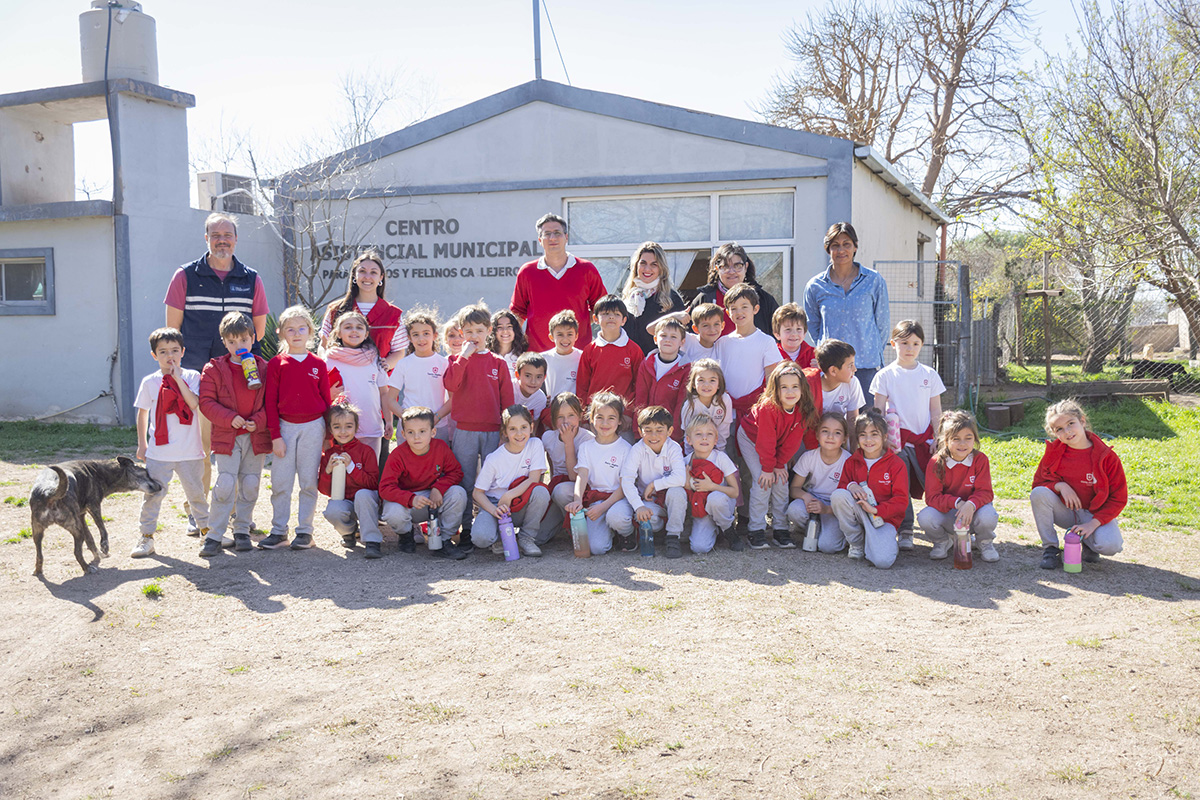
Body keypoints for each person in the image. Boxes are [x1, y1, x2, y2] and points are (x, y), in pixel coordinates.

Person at [164, 212, 269, 523]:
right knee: (202, 449)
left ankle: (236, 513)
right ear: (206, 239)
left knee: (236, 448)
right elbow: (173, 329)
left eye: (228, 235)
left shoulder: (251, 278)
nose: (222, 240)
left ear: (236, 239)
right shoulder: (184, 276)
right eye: (215, 235)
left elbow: (259, 332)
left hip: (240, 378)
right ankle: (198, 513)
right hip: (198, 379)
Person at [131, 328, 209, 558]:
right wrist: (142, 444)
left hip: (190, 451)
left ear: (183, 352)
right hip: (159, 452)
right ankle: (146, 537)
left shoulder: (193, 377)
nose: (170, 356)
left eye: (174, 350)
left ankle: (207, 532)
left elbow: (194, 404)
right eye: (163, 352)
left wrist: (177, 379)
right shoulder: (150, 382)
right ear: (154, 355)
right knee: (153, 495)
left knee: (197, 494)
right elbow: (142, 413)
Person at [197, 312, 270, 556]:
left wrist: (257, 421)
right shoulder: (214, 368)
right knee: (226, 484)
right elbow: (206, 402)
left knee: (250, 483)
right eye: (231, 342)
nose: (238, 346)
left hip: (254, 435)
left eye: (243, 340)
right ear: (224, 342)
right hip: (227, 435)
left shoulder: (263, 368)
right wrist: (230, 418)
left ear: (253, 338)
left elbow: (271, 403)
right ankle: (214, 535)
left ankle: (242, 530)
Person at [444, 302, 515, 546]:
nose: (474, 336)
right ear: (462, 333)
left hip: (493, 431)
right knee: (465, 480)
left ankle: (493, 523)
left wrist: (507, 431)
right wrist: (463, 357)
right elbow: (451, 385)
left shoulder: (498, 362)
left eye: (479, 330)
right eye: (469, 331)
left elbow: (508, 401)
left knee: (494, 481)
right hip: (464, 430)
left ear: (489, 331)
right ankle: (465, 528)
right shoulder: (456, 360)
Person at [260, 306, 331, 551]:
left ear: (310, 331)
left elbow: (326, 401)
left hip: (313, 427)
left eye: (302, 328)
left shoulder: (318, 364)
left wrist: (328, 436)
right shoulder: (277, 364)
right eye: (290, 329)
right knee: (281, 482)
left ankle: (305, 531)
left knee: (308, 481)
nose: (297, 333)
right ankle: (279, 531)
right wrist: (275, 436)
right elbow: (269, 402)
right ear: (281, 333)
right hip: (285, 428)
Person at [871, 320, 946, 549]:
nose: (909, 348)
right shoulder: (884, 375)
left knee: (935, 485)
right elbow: (879, 412)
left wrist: (939, 438)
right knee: (900, 486)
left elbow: (936, 410)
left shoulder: (930, 374)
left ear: (922, 345)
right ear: (893, 344)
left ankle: (948, 528)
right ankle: (905, 530)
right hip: (897, 444)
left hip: (925, 441)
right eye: (904, 343)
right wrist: (885, 442)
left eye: (915, 343)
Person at [1030, 399, 1126, 570]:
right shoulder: (1054, 452)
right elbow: (1039, 483)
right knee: (1038, 493)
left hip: (1093, 514)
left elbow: (1119, 498)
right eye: (1059, 429)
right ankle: (1051, 548)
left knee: (1111, 545)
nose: (1067, 432)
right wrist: (1060, 486)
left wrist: (1093, 524)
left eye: (1070, 424)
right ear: (1054, 433)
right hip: (1066, 511)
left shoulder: (1107, 457)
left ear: (1082, 421)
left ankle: (1088, 543)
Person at [803, 222, 890, 404]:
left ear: (855, 247)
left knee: (866, 425)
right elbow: (814, 326)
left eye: (846, 244)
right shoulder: (815, 286)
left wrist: (870, 352)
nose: (841, 250)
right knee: (833, 425)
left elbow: (882, 324)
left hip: (865, 366)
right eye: (835, 245)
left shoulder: (873, 280)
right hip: (832, 369)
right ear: (828, 249)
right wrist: (825, 355)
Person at [736, 362, 818, 549]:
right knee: (762, 482)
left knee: (781, 481)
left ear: (802, 389)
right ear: (775, 390)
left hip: (777, 443)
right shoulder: (768, 407)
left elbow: (793, 442)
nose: (790, 392)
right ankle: (756, 529)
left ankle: (781, 529)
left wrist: (779, 464)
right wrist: (767, 468)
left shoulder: (803, 409)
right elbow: (765, 441)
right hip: (751, 439)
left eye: (795, 387)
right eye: (784, 387)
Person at [379, 407, 469, 560]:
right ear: (402, 434)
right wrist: (410, 498)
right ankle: (406, 534)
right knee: (392, 511)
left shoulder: (440, 447)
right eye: (410, 432)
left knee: (458, 493)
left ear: (432, 432)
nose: (416, 437)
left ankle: (445, 539)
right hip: (409, 502)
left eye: (422, 431)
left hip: (433, 498)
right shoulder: (397, 455)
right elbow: (385, 488)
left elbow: (456, 472)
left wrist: (438, 488)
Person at [510, 213, 608, 353]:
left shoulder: (587, 270)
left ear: (566, 237)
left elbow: (601, 309)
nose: (553, 238)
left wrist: (581, 322)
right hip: (537, 356)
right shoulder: (527, 272)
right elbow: (517, 314)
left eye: (557, 233)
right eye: (547, 234)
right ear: (540, 240)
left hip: (579, 354)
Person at [831, 409, 908, 568]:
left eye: (874, 434)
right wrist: (851, 486)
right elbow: (841, 489)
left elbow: (901, 502)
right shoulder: (852, 461)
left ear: (885, 437)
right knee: (838, 496)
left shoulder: (896, 464)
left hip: (884, 520)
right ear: (857, 438)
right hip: (859, 515)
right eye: (863, 434)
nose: (868, 440)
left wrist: (876, 510)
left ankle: (879, 541)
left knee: (883, 561)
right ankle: (856, 542)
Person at [471, 406, 551, 557]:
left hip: (518, 502)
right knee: (481, 538)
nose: (519, 434)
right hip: (496, 505)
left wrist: (508, 496)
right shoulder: (494, 459)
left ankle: (526, 538)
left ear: (531, 427)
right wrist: (494, 510)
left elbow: (534, 479)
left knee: (541, 491)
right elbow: (478, 493)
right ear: (505, 432)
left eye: (523, 427)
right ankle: (500, 538)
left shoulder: (535, 445)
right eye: (513, 429)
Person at [920, 410, 998, 563]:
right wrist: (957, 503)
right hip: (950, 513)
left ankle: (984, 542)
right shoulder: (936, 462)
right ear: (946, 441)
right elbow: (932, 497)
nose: (962, 444)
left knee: (989, 515)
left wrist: (971, 504)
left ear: (974, 439)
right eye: (956, 439)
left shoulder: (980, 460)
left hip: (973, 512)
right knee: (925, 517)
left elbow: (986, 492)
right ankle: (943, 541)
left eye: (968, 438)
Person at [565, 392, 635, 554]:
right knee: (597, 548)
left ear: (619, 421)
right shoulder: (586, 447)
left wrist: (603, 507)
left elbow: (626, 485)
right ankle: (608, 532)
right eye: (599, 417)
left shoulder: (626, 449)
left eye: (611, 418)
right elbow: (582, 476)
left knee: (616, 518)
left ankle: (627, 533)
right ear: (591, 418)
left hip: (618, 500)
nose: (605, 423)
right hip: (596, 500)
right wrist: (577, 500)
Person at [318, 249, 407, 370]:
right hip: (340, 382)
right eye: (362, 271)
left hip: (378, 385)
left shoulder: (393, 314)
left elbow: (399, 352)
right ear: (354, 275)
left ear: (381, 277)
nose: (367, 276)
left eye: (373, 272)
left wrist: (384, 367)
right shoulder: (335, 309)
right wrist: (325, 362)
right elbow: (323, 345)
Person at [618, 406, 688, 558]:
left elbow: (680, 478)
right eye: (648, 430)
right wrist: (639, 507)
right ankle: (660, 531)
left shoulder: (673, 448)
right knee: (645, 517)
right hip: (650, 501)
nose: (653, 435)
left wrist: (654, 485)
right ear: (640, 430)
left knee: (677, 491)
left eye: (659, 430)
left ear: (669, 431)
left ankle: (673, 536)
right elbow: (627, 479)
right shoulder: (637, 449)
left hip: (669, 498)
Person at [319, 401, 382, 558]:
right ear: (330, 429)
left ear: (356, 426)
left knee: (363, 495)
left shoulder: (366, 451)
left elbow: (373, 483)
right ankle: (349, 532)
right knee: (332, 510)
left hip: (366, 502)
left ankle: (372, 541)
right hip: (345, 502)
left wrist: (352, 468)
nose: (343, 431)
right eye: (337, 427)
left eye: (348, 426)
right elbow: (325, 491)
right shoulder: (329, 455)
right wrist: (328, 471)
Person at [325, 310, 390, 456]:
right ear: (338, 333)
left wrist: (390, 422)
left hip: (371, 428)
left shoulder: (375, 359)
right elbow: (319, 393)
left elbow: (384, 393)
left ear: (366, 334)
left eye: (359, 327)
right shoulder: (328, 360)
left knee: (370, 473)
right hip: (340, 431)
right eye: (348, 327)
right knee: (342, 473)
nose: (354, 330)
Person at [786, 412, 851, 554]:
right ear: (816, 434)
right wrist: (806, 496)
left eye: (837, 433)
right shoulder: (809, 457)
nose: (830, 436)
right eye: (825, 431)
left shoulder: (849, 461)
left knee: (827, 547)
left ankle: (838, 534)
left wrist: (826, 509)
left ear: (845, 438)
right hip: (814, 500)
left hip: (835, 508)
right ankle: (813, 527)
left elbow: (850, 503)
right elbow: (794, 488)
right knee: (794, 510)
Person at [714, 283, 782, 420]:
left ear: (755, 309)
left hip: (754, 412)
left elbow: (771, 379)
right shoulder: (721, 343)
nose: (739, 312)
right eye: (734, 308)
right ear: (728, 313)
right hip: (724, 412)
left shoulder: (767, 341)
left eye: (744, 307)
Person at [385, 309, 452, 443]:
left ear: (434, 335)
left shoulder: (445, 363)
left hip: (438, 427)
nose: (421, 339)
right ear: (409, 338)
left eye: (426, 333)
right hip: (409, 429)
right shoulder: (403, 363)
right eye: (415, 334)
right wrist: (407, 418)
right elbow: (390, 399)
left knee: (437, 464)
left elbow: (453, 399)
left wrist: (436, 418)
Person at [686, 243, 779, 337]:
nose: (731, 271)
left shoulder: (763, 300)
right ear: (717, 268)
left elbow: (780, 336)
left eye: (737, 266)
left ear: (746, 267)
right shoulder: (704, 299)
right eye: (725, 266)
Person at [538, 392, 594, 543]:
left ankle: (577, 526)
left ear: (580, 416)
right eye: (560, 417)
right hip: (556, 489)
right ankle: (562, 523)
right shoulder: (548, 437)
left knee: (561, 491)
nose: (566, 421)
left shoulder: (587, 439)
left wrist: (568, 443)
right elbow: (551, 464)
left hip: (579, 489)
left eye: (571, 415)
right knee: (539, 537)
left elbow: (573, 476)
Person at [576, 295, 643, 415]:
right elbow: (582, 386)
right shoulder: (589, 350)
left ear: (624, 320)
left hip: (623, 414)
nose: (611, 317)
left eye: (617, 314)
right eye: (606, 313)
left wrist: (628, 413)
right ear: (595, 319)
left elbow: (639, 385)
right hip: (595, 413)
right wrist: (584, 414)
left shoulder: (634, 350)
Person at [683, 415, 741, 553]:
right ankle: (715, 529)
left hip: (722, 504)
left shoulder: (720, 458)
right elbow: (685, 489)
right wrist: (686, 480)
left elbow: (735, 492)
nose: (704, 438)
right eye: (698, 434)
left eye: (709, 434)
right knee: (699, 548)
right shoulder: (685, 461)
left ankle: (728, 530)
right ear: (688, 440)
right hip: (701, 509)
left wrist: (712, 487)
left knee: (715, 498)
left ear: (715, 440)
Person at [621, 241, 685, 355]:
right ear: (636, 266)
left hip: (657, 366)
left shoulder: (672, 299)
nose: (647, 269)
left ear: (661, 268)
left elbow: (683, 340)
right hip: (628, 364)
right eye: (643, 263)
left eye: (654, 264)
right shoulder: (627, 298)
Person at [633, 317, 689, 441]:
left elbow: (681, 405)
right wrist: (639, 431)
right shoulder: (647, 364)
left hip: (670, 434)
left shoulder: (686, 369)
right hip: (647, 431)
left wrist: (674, 435)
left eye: (673, 337)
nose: (668, 340)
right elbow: (640, 399)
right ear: (655, 339)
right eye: (663, 335)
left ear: (682, 342)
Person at [678, 359, 733, 455]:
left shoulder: (725, 400)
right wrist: (690, 457)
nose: (706, 385)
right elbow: (687, 434)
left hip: (717, 449)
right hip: (695, 451)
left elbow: (724, 429)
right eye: (701, 380)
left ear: (719, 384)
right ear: (694, 384)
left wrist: (719, 454)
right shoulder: (689, 405)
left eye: (712, 380)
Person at [541, 310, 583, 399]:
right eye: (560, 335)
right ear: (551, 337)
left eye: (569, 334)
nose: (565, 339)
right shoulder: (543, 358)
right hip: (552, 408)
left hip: (575, 409)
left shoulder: (582, 357)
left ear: (576, 336)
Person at [772, 303, 817, 369]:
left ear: (804, 333)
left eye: (798, 329)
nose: (794, 334)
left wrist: (821, 372)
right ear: (777, 334)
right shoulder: (772, 354)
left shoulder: (814, 355)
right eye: (788, 329)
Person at [487, 308, 527, 373]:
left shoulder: (523, 357)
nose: (505, 331)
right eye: (500, 327)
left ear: (515, 330)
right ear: (493, 331)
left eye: (509, 326)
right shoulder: (486, 356)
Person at [512, 352, 549, 422]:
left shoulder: (540, 399)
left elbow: (534, 425)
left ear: (544, 378)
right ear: (517, 375)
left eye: (538, 377)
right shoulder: (508, 388)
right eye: (528, 376)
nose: (533, 382)